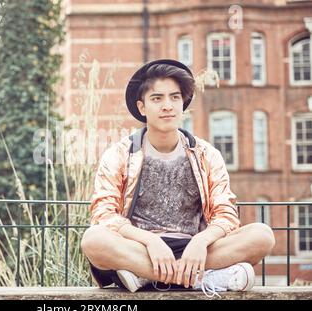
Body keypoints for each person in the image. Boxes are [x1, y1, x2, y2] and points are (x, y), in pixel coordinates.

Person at [81, 59, 276, 297]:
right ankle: (199, 279)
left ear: (183, 103)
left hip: (195, 251)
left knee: (262, 236)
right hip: (138, 249)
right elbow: (104, 214)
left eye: (175, 98)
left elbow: (226, 214)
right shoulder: (120, 154)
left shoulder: (206, 154)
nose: (168, 106)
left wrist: (201, 241)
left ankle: (147, 277)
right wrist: (150, 241)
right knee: (93, 239)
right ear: (142, 108)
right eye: (157, 99)